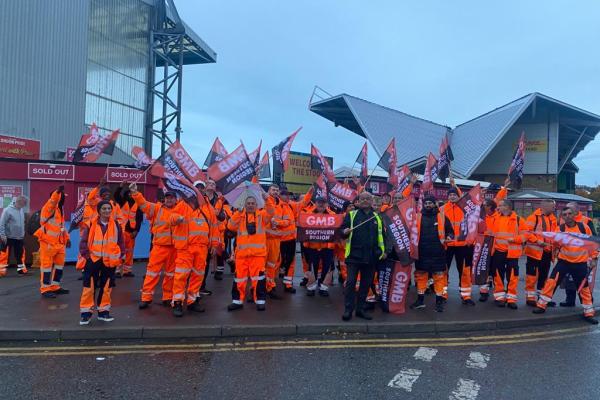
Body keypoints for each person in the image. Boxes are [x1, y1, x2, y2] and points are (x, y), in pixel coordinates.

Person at [533, 207, 598, 324]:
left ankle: (588, 313)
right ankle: (541, 306)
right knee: (551, 282)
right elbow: (555, 244)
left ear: (575, 215)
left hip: (580, 263)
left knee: (584, 289)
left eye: (569, 213)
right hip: (564, 261)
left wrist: (594, 258)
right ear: (562, 217)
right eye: (564, 214)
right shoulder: (560, 228)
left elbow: (592, 244)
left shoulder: (584, 227)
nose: (567, 216)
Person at [129, 183, 183, 309]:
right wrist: (135, 193)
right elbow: (143, 204)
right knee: (152, 273)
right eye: (167, 197)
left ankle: (168, 297)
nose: (169, 199)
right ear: (164, 199)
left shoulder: (180, 210)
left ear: (176, 199)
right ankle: (146, 298)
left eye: (172, 198)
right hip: (159, 247)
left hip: (174, 248)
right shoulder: (157, 208)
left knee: (171, 275)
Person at [171, 194, 219, 317]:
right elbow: (172, 217)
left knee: (197, 276)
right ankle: (177, 302)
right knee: (181, 276)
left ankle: (192, 301)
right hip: (186, 247)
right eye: (198, 188)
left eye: (202, 189)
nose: (200, 191)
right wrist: (178, 218)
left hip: (202, 248)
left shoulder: (209, 208)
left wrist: (214, 244)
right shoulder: (184, 203)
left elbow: (214, 227)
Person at [341, 192, 387, 321]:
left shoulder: (376, 217)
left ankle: (360, 310)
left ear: (371, 200)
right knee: (350, 283)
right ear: (358, 201)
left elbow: (382, 236)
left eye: (368, 198)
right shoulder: (351, 214)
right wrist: (344, 232)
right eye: (362, 199)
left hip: (371, 256)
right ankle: (348, 310)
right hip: (354, 256)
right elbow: (341, 230)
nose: (365, 200)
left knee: (366, 284)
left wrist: (383, 251)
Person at [78, 200, 125, 325]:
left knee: (106, 287)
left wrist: (120, 255)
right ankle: (86, 314)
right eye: (104, 208)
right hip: (93, 260)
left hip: (109, 261)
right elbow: (84, 241)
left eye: (109, 208)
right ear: (99, 211)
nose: (107, 211)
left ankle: (103, 312)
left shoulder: (116, 225)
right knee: (89, 287)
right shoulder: (91, 223)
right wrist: (87, 256)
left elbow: (120, 242)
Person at [226, 193, 274, 311]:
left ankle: (260, 301)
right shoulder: (240, 215)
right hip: (242, 256)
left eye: (253, 203)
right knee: (239, 279)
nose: (250, 205)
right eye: (248, 204)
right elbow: (230, 226)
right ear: (245, 205)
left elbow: (272, 212)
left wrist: (267, 199)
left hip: (257, 255)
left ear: (256, 205)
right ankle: (237, 301)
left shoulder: (262, 216)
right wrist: (238, 212)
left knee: (258, 280)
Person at [410, 195, 454, 312]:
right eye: (426, 203)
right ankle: (420, 301)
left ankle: (439, 301)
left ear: (435, 204)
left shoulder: (442, 217)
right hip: (422, 252)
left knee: (439, 277)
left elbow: (450, 231)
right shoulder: (417, 217)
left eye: (430, 203)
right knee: (420, 276)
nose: (428, 205)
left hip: (438, 252)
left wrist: (450, 236)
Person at [442, 181, 475, 305]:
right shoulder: (442, 209)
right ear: (447, 196)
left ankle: (466, 295)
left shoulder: (466, 208)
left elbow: (473, 224)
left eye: (454, 194)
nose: (452, 196)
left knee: (465, 271)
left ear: (458, 195)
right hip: (447, 245)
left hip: (463, 245)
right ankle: (443, 294)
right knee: (444, 270)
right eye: (450, 195)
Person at [490, 200, 527, 309]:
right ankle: (500, 297)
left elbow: (526, 235)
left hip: (512, 253)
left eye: (500, 205)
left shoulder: (519, 220)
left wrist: (515, 239)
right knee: (497, 275)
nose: (498, 207)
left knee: (512, 277)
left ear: (508, 207)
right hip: (498, 252)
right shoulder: (496, 218)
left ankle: (511, 299)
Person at [34, 186, 71, 298]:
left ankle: (55, 286)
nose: (64, 199)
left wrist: (67, 239)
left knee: (59, 266)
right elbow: (53, 201)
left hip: (59, 244)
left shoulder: (60, 210)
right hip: (48, 243)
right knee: (46, 267)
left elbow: (61, 227)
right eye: (63, 197)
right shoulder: (49, 208)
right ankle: (45, 289)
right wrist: (57, 192)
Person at [561, 202, 597, 307]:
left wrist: (593, 256)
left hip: (582, 258)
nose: (568, 213)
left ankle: (587, 302)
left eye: (570, 210)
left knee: (583, 281)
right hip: (567, 256)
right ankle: (570, 300)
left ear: (576, 211)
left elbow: (593, 239)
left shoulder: (586, 221)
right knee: (568, 279)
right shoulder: (564, 220)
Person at [478, 183, 508, 301]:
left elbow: (498, 199)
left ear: (490, 207)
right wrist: (480, 195)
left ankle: (499, 294)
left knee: (497, 271)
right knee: (484, 269)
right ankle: (483, 292)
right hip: (484, 247)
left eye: (484, 205)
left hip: (496, 248)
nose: (482, 206)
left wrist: (504, 188)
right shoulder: (482, 215)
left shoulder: (499, 216)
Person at [524, 199, 557, 306]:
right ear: (545, 207)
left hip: (546, 252)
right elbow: (526, 232)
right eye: (552, 207)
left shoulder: (553, 219)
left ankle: (542, 298)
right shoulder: (533, 217)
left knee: (543, 276)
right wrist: (537, 241)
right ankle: (530, 298)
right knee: (532, 276)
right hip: (534, 252)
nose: (554, 208)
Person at [304, 197, 336, 297]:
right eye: (319, 203)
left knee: (327, 268)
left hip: (327, 247)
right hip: (312, 247)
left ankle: (324, 288)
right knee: (312, 268)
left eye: (323, 203)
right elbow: (304, 230)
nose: (321, 205)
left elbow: (336, 231)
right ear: (315, 203)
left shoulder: (333, 215)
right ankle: (311, 287)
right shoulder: (308, 214)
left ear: (326, 204)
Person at [264, 184, 289, 300]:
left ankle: (270, 287)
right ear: (268, 191)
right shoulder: (262, 202)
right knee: (260, 266)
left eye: (276, 190)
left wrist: (278, 222)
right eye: (273, 190)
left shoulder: (282, 206)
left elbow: (288, 221)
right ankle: (257, 288)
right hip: (263, 239)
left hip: (275, 241)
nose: (275, 192)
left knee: (272, 266)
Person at [114, 183, 144, 277]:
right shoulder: (123, 202)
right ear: (127, 195)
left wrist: (136, 231)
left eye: (132, 193)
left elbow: (139, 219)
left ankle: (127, 271)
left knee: (129, 252)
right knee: (119, 251)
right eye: (129, 193)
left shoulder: (138, 205)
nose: (131, 195)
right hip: (121, 231)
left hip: (131, 233)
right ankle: (117, 270)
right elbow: (116, 195)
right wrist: (121, 186)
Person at [0, 195, 28, 276]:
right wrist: (2, 235)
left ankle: (21, 270)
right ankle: (1, 272)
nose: (24, 206)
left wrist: (22, 234)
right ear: (19, 202)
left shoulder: (21, 210)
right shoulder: (7, 210)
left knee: (20, 255)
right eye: (23, 204)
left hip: (19, 237)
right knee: (4, 256)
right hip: (8, 237)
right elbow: (2, 224)